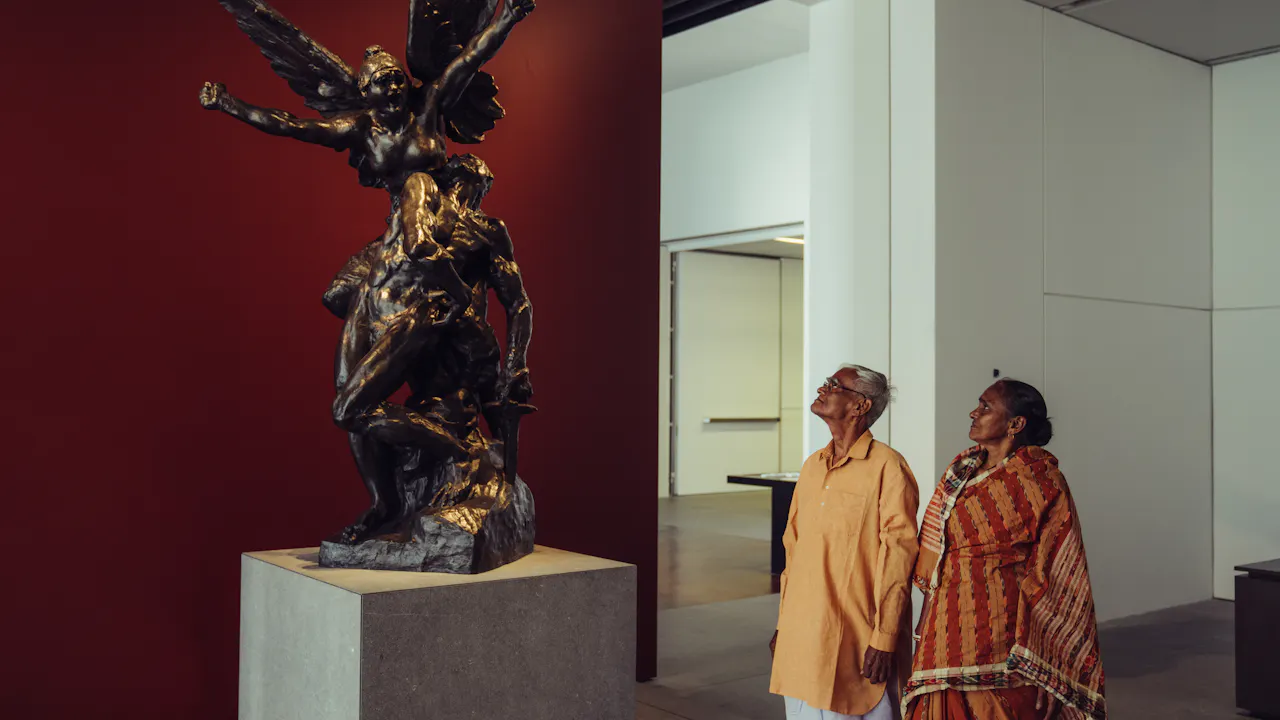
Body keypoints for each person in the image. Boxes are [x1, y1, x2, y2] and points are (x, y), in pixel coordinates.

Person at [902, 380, 1106, 720]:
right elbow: (937, 555)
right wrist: (924, 627)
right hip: (947, 623)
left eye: (985, 407)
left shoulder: (1041, 479)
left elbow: (1058, 572)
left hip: (1003, 629)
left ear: (1016, 424)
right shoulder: (960, 470)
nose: (974, 413)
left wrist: (1053, 663)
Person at [770, 365, 920, 719]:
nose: (823, 388)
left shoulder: (888, 467)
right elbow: (794, 550)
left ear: (860, 406)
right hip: (802, 638)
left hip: (856, 642)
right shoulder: (812, 467)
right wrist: (783, 624)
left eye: (834, 385)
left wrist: (885, 639)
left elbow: (898, 559)